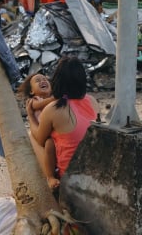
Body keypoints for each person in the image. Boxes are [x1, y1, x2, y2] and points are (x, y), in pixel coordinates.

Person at [26, 56, 100, 188]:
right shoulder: (92, 101)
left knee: (32, 135)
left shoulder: (54, 108)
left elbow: (40, 139)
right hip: (95, 171)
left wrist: (31, 116)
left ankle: (49, 178)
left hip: (70, 177)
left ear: (56, 80)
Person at [17, 73, 58, 188]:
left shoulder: (53, 98)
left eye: (45, 79)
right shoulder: (34, 100)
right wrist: (54, 98)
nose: (42, 81)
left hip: (51, 131)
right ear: (31, 92)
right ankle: (50, 176)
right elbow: (39, 105)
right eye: (38, 81)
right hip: (40, 132)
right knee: (49, 144)